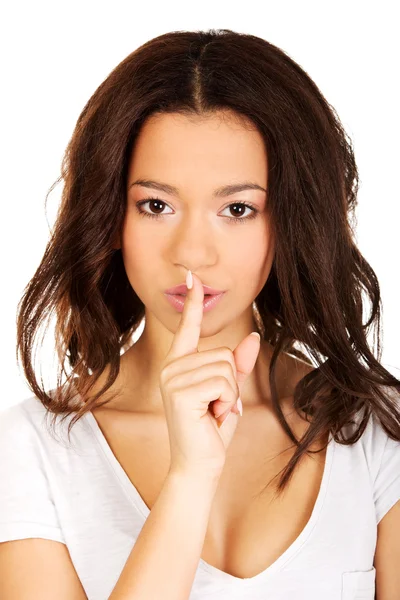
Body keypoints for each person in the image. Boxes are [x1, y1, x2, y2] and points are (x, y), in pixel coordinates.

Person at [1, 28, 399, 600]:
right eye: (156, 205)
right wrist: (189, 479)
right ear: (112, 216)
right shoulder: (32, 450)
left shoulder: (377, 433)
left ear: (289, 222)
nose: (191, 252)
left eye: (237, 208)